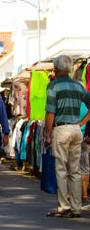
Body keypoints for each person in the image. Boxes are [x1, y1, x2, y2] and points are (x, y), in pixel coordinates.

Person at [45, 55, 90, 218]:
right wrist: (81, 123)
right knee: (75, 170)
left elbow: (50, 112)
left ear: (56, 70)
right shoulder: (79, 86)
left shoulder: (53, 86)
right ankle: (77, 207)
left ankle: (64, 206)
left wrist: (48, 134)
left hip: (61, 129)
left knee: (61, 169)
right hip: (76, 130)